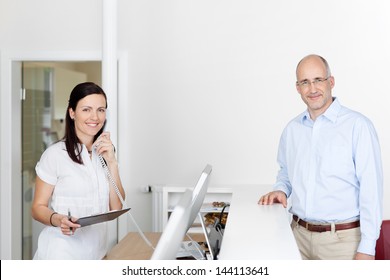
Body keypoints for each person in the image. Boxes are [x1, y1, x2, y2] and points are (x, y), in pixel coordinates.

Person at [258, 54, 383, 260]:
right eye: (305, 82)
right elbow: (286, 172)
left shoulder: (358, 127)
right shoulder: (292, 130)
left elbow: (372, 189)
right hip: (297, 237)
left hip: (343, 243)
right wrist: (281, 190)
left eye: (318, 80)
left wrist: (367, 248)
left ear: (331, 82)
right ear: (297, 88)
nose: (312, 89)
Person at [31, 82, 125, 259]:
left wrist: (112, 162)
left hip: (97, 253)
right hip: (62, 253)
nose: (95, 117)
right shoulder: (55, 155)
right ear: (72, 112)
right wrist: (58, 219)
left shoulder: (104, 153)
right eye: (86, 109)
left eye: (101, 109)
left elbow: (116, 206)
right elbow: (37, 208)